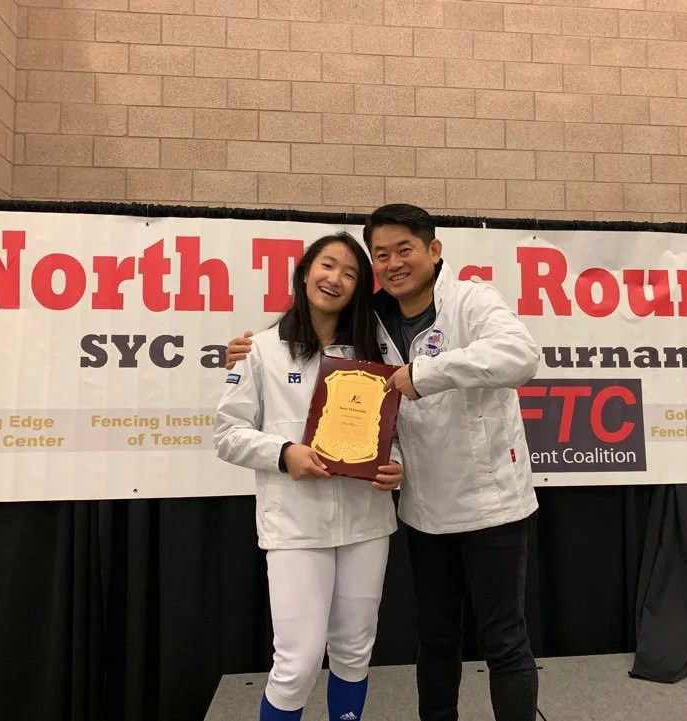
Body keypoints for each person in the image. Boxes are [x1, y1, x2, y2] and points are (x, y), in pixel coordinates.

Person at [226, 204, 541, 721]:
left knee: (504, 641)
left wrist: (426, 373)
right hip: (423, 510)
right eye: (381, 255)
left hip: (492, 504)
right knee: (435, 638)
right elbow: (356, 393)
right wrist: (251, 348)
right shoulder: (370, 321)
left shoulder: (471, 300)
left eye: (404, 250)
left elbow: (521, 357)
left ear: (433, 250)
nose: (394, 263)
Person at [213, 231, 405, 721]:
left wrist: (396, 465)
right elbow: (227, 434)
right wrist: (283, 454)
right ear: (304, 273)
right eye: (327, 265)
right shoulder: (259, 349)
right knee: (296, 664)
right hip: (296, 526)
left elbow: (397, 427)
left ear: (359, 289)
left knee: (355, 651)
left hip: (366, 522)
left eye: (350, 273)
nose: (335, 279)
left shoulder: (374, 351)